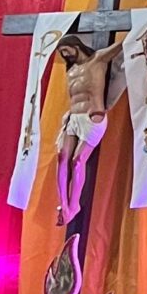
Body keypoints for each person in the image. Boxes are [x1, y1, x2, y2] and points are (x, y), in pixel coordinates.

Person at [53, 32, 124, 227]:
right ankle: (63, 204)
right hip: (74, 118)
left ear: (76, 46)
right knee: (61, 157)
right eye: (62, 53)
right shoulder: (71, 71)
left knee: (77, 161)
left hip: (92, 116)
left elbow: (122, 45)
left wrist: (144, 22)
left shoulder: (98, 60)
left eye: (67, 51)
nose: (66, 56)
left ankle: (74, 204)